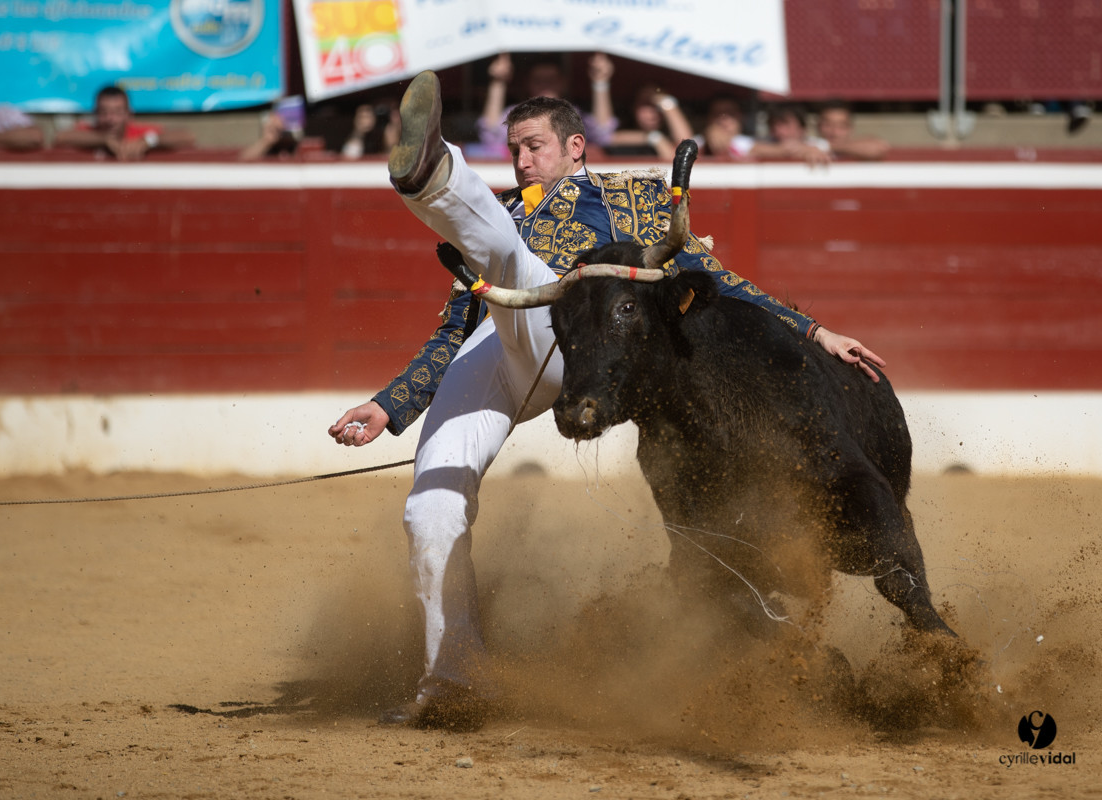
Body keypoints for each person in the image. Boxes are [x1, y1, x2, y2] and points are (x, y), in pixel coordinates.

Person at [328, 71, 885, 731]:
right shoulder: (502, 211)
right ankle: (455, 683)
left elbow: (711, 276)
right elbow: (455, 328)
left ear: (576, 147)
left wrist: (815, 330)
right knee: (431, 512)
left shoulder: (634, 196)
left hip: (584, 349)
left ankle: (432, 175)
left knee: (507, 259)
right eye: (513, 149)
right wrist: (392, 405)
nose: (522, 160)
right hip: (506, 342)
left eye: (534, 146)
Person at [470, 52, 618, 159]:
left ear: (563, 82)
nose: (545, 84)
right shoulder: (515, 113)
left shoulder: (575, 114)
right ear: (528, 83)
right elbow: (490, 136)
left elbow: (603, 135)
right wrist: (498, 82)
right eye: (538, 80)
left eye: (551, 79)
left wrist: (600, 82)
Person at [54, 86, 194, 161]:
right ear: (95, 113)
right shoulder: (89, 131)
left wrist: (148, 141)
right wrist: (103, 139)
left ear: (129, 114)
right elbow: (60, 137)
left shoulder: (141, 133)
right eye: (104, 112)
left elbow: (187, 136)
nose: (110, 119)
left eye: (117, 112)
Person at [604, 84, 697, 160]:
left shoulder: (670, 136)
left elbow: (687, 144)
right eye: (646, 105)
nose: (653, 113)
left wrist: (668, 104)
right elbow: (605, 137)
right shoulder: (621, 127)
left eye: (658, 107)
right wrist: (654, 138)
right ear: (633, 106)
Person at [749, 103, 832, 166]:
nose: (779, 131)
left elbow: (827, 148)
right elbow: (749, 148)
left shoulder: (819, 144)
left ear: (802, 128)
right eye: (774, 126)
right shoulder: (766, 142)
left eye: (786, 126)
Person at [816, 100, 891, 161]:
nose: (834, 131)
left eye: (841, 126)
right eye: (828, 125)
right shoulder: (809, 144)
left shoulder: (857, 149)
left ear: (850, 128)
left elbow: (879, 148)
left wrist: (825, 146)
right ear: (818, 126)